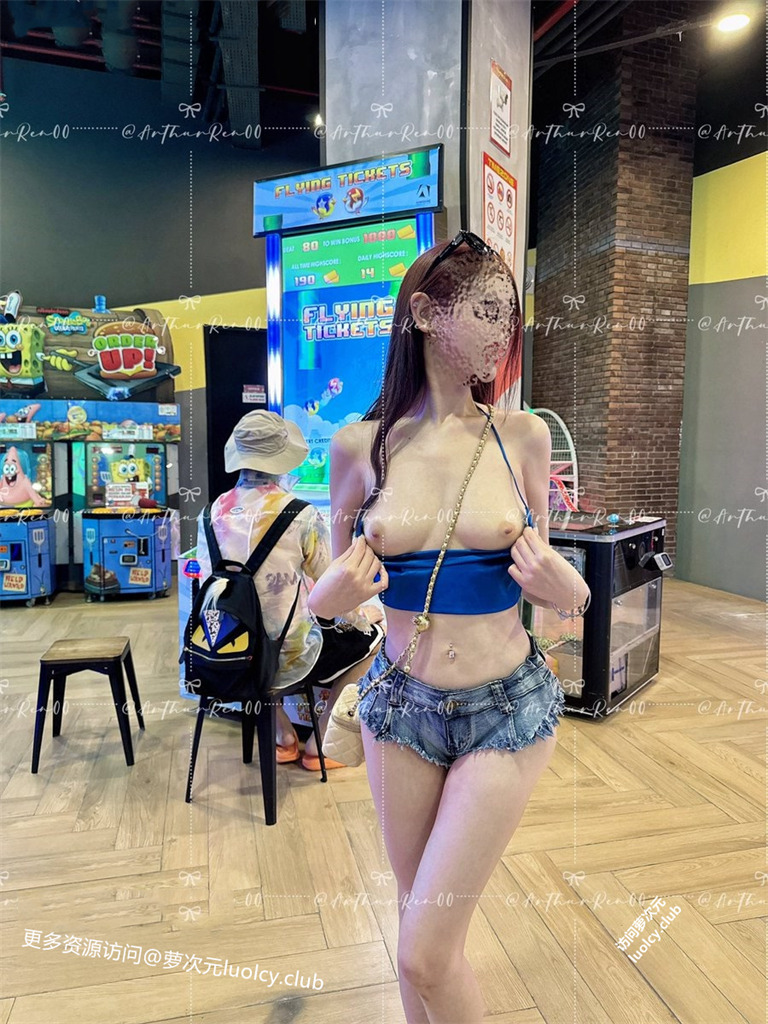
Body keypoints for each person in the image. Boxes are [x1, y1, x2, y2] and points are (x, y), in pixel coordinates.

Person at [307, 231, 591, 1024]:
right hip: (401, 710)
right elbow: (330, 599)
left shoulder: (521, 435)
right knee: (413, 919)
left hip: (506, 710)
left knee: (425, 951)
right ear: (427, 314)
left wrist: (568, 589)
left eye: (510, 315)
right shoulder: (359, 448)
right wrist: (328, 594)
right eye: (489, 311)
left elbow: (558, 589)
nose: (506, 331)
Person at [195, 410, 384, 771]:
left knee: (260, 634)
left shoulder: (211, 513)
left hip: (229, 649)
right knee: (374, 644)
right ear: (282, 459)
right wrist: (362, 618)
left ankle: (282, 735)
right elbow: (332, 589)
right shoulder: (300, 514)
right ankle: (320, 745)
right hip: (290, 655)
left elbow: (210, 583)